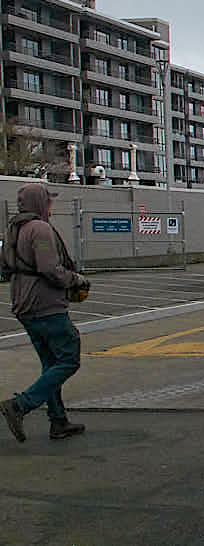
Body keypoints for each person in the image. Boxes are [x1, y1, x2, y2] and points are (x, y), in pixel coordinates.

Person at [0, 183, 90, 443]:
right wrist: (76, 279)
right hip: (45, 305)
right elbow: (50, 269)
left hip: (23, 305)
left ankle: (58, 421)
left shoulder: (14, 228)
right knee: (69, 358)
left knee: (51, 364)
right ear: (40, 203)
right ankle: (20, 406)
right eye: (49, 201)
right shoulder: (39, 228)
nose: (51, 205)